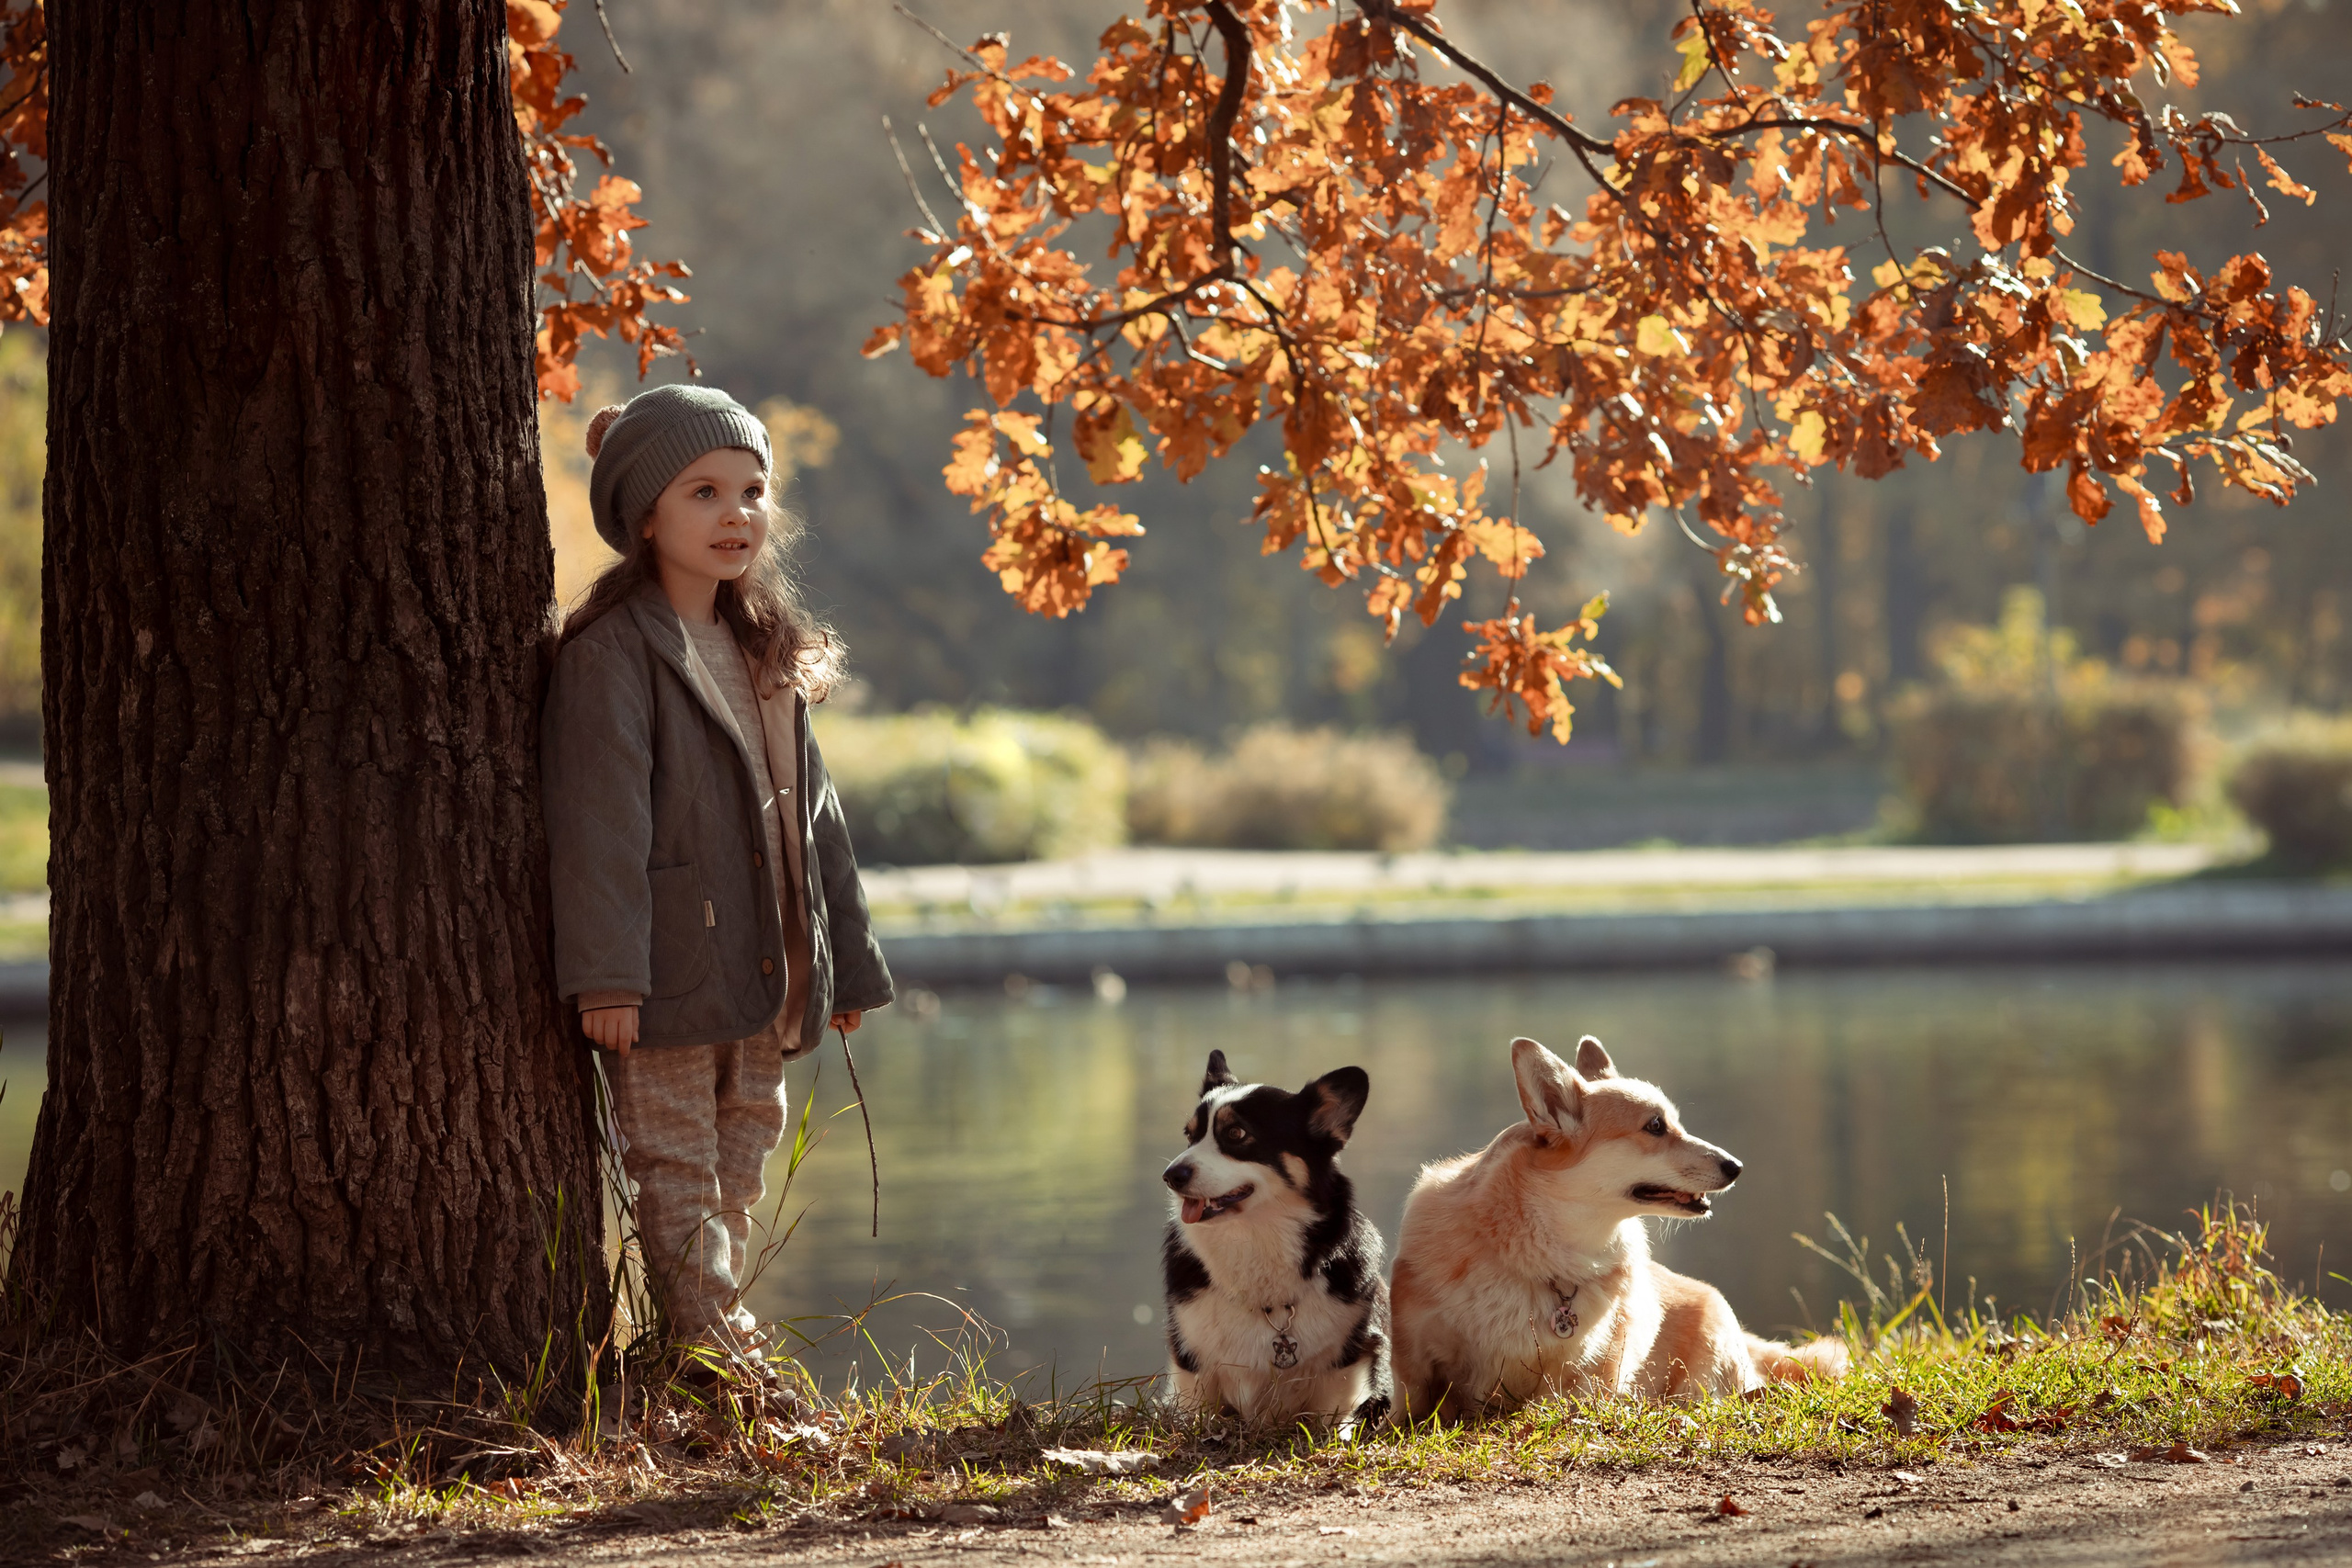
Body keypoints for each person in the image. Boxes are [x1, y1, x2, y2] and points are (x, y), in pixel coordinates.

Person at [542, 383, 892, 1358]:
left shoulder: (761, 645)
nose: (735, 514)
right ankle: (714, 1350)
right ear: (643, 516)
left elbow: (816, 820)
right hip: (661, 974)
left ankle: (701, 1342)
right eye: (702, 492)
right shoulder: (613, 653)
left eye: (750, 490)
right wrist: (608, 975)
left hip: (765, 968)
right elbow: (598, 824)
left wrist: (842, 967)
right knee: (676, 1164)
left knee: (742, 1159)